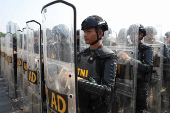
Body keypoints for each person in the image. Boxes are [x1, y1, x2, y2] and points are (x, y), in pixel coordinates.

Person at [77, 15, 117, 113]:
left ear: (99, 33)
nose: (85, 35)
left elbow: (107, 90)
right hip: (81, 105)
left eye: (89, 31)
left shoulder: (108, 57)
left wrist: (78, 81)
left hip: (97, 109)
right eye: (84, 32)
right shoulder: (81, 54)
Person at [119, 24, 153, 113]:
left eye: (133, 33)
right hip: (127, 81)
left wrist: (130, 59)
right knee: (127, 107)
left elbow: (147, 67)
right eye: (130, 34)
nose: (131, 36)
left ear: (141, 35)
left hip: (140, 83)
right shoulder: (128, 47)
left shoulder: (147, 49)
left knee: (141, 108)